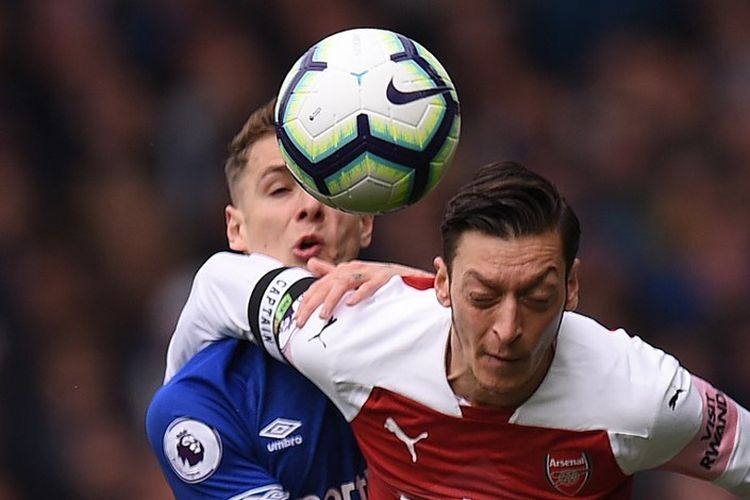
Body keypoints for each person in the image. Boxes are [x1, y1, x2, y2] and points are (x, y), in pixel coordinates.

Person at [163, 160, 750, 498]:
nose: (507, 328)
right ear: (441, 285)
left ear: (572, 290)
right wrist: (187, 392)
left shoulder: (641, 394)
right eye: (482, 296)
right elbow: (221, 282)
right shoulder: (353, 333)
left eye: (538, 298)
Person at [147, 98, 421, 499]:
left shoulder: (428, 336)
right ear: (235, 229)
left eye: (326, 184)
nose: (309, 206)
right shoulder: (201, 403)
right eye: (279, 189)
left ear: (364, 220)